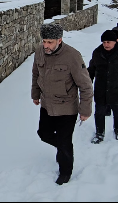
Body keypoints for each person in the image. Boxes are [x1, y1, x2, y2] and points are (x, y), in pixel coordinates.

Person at [31, 23, 93, 185]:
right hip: (47, 104)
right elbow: (35, 74)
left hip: (67, 107)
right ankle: (64, 148)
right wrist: (35, 94)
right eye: (44, 41)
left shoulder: (72, 56)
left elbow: (85, 85)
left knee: (65, 142)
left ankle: (65, 171)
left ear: (59, 40)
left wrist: (85, 109)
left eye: (50, 42)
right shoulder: (40, 52)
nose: (46, 45)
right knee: (43, 134)